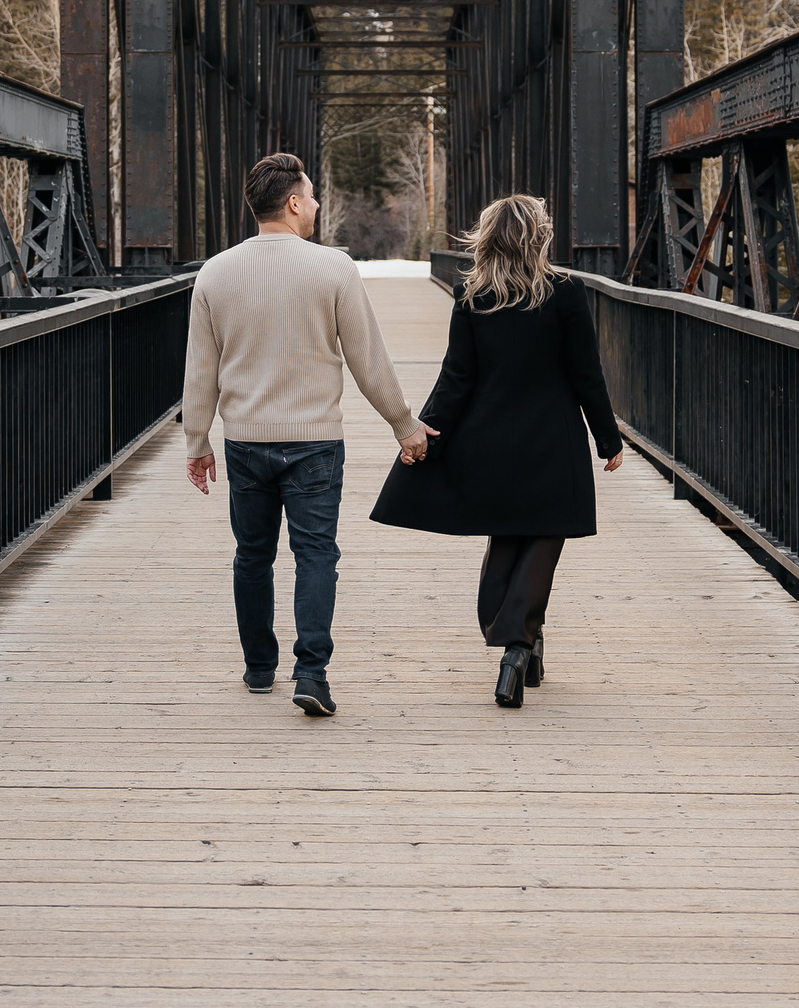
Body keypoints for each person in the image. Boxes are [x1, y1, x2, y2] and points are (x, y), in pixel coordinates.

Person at [182, 153, 427, 718]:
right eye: (312, 196)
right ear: (293, 203)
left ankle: (258, 666)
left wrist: (198, 441)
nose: (316, 204)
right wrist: (404, 425)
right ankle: (311, 672)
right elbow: (368, 359)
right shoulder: (334, 269)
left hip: (245, 440)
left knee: (252, 555)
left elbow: (201, 368)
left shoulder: (215, 272)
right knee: (316, 553)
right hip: (316, 441)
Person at [369, 194, 623, 708]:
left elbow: (457, 376)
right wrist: (607, 437)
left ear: (489, 239)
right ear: (538, 236)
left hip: (488, 438)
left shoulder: (471, 292)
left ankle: (522, 639)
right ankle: (516, 646)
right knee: (545, 534)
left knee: (508, 531)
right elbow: (585, 374)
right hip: (553, 439)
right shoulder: (566, 291)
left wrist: (424, 431)